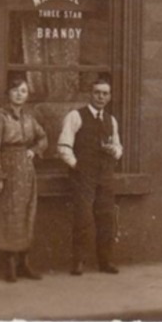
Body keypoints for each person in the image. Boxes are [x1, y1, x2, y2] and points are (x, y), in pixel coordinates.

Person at [0, 74, 49, 282]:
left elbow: (43, 137)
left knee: (26, 214)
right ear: (8, 93)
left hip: (25, 172)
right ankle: (10, 266)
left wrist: (34, 151)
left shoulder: (29, 117)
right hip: (7, 169)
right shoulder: (0, 116)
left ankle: (24, 263)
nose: (20, 94)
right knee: (10, 216)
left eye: (24, 91)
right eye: (16, 90)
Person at [57, 74, 122, 275]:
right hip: (83, 176)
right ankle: (79, 262)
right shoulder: (75, 116)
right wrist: (77, 166)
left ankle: (105, 261)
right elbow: (63, 146)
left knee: (106, 218)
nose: (101, 97)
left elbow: (118, 146)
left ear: (109, 97)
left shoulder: (111, 120)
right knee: (83, 219)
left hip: (105, 175)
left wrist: (115, 152)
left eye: (105, 94)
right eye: (97, 93)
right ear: (90, 94)